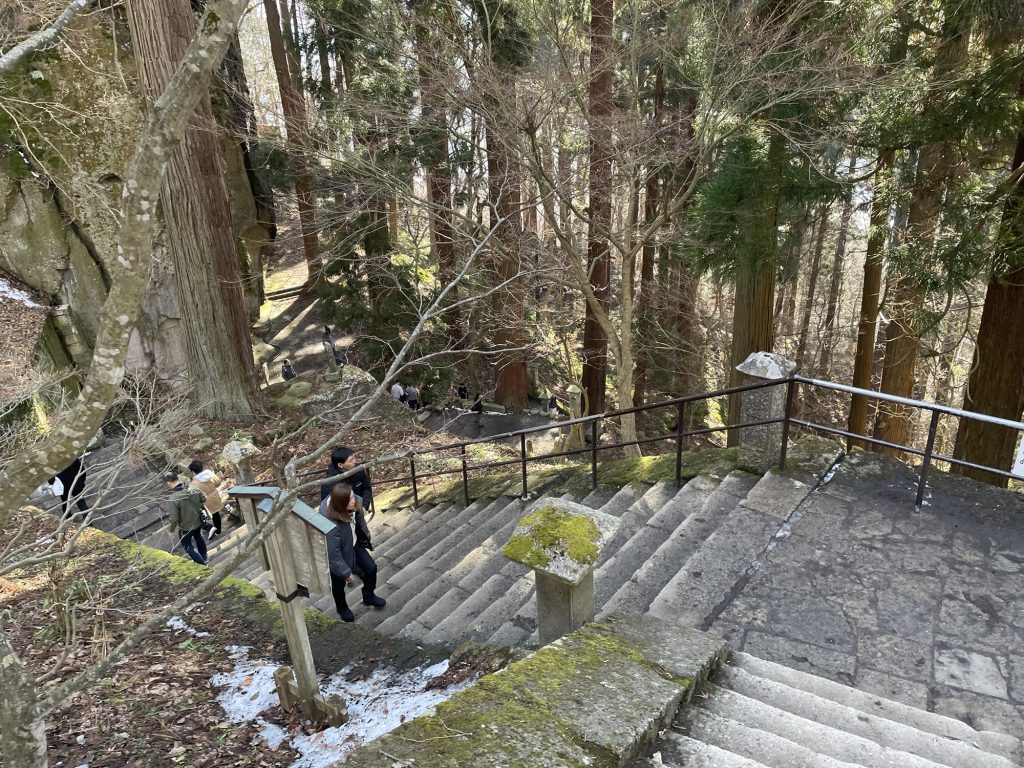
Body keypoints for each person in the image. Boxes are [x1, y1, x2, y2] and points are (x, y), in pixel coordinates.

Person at [320, 483, 386, 621]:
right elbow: (333, 554)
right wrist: (346, 572)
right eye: (349, 499)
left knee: (371, 568)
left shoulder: (354, 504)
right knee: (338, 583)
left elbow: (360, 522)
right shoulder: (330, 524)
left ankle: (368, 595)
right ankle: (342, 608)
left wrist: (366, 537)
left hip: (355, 543)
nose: (353, 500)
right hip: (339, 551)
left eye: (353, 496)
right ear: (340, 504)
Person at [164, 472, 208, 565]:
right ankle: (204, 557)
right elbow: (204, 499)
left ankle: (202, 564)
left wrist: (171, 531)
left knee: (187, 544)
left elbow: (174, 518)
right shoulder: (193, 488)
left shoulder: (173, 498)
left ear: (168, 483)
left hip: (185, 526)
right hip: (198, 519)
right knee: (198, 536)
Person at [320, 447, 374, 511]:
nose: (355, 461)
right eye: (351, 460)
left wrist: (364, 506)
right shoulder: (329, 482)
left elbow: (367, 488)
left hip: (359, 508)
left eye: (354, 458)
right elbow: (326, 504)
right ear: (340, 465)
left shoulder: (358, 470)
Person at [188, 459, 226, 539]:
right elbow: (218, 482)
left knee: (204, 515)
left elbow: (194, 495)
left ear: (193, 472)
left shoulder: (194, 483)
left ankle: (210, 528)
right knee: (216, 514)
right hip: (215, 495)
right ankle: (218, 531)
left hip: (206, 501)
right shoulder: (209, 474)